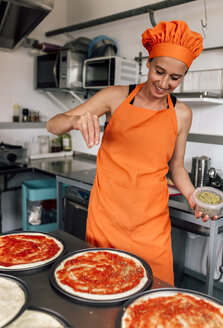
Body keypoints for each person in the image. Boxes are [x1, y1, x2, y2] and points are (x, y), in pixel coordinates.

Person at [47, 21, 216, 285]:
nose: (164, 83)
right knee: (102, 292)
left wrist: (194, 197)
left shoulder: (182, 114)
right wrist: (73, 121)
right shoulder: (114, 97)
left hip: (151, 226)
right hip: (107, 221)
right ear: (148, 63)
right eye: (159, 71)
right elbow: (53, 124)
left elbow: (177, 167)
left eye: (175, 77)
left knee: (154, 297)